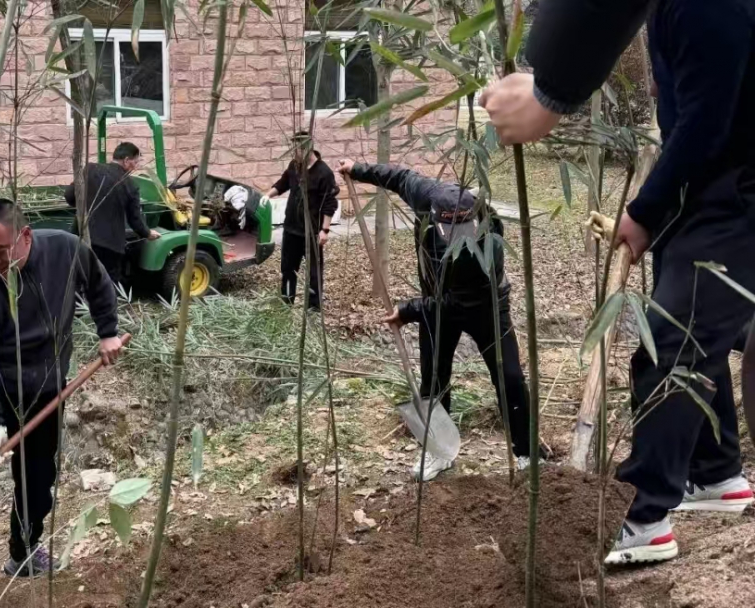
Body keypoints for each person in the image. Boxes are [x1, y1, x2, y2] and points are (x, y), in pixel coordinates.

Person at [481, 0, 755, 565]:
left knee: (671, 345)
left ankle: (643, 513)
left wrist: (645, 209)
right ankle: (715, 473)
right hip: (707, 183)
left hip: (736, 187)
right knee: (690, 329)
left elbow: (708, 119)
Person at [0, 199, 124, 607]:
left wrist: (107, 330)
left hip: (44, 387)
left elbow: (98, 282)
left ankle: (24, 549)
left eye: (0, 251)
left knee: (36, 477)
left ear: (26, 236)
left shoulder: (65, 249)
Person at [337, 159, 540, 480]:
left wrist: (409, 311)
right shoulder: (426, 194)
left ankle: (527, 453)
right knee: (433, 380)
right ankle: (439, 452)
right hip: (437, 302)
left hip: (486, 307)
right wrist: (356, 169)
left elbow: (461, 302)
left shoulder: (488, 235)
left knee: (510, 377)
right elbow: (398, 175)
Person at [63, 141, 161, 287]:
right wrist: (148, 233)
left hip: (81, 237)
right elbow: (135, 220)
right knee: (106, 286)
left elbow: (69, 196)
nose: (136, 167)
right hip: (110, 247)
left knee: (79, 281)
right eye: (135, 162)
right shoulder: (130, 185)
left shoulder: (90, 169)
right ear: (126, 160)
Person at [264, 133, 339, 310]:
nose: (294, 153)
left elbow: (330, 203)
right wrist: (267, 196)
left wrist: (325, 230)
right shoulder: (294, 166)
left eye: (296, 149)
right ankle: (286, 303)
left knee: (314, 272)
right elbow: (282, 183)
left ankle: (314, 307)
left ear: (307, 148)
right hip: (291, 228)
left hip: (311, 231)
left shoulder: (324, 172)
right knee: (288, 269)